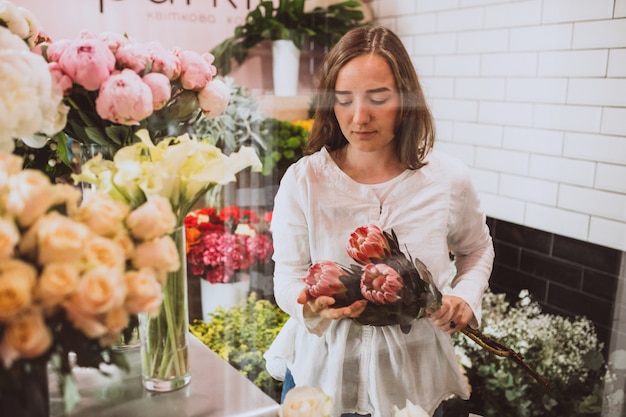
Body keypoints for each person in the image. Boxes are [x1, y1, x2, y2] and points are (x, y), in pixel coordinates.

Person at [264, 25, 495, 417]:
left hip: (412, 380)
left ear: (405, 99)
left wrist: (463, 298)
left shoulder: (447, 178)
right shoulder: (305, 180)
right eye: (344, 99)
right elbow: (287, 275)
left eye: (378, 98)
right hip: (321, 377)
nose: (359, 116)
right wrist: (310, 306)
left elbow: (476, 249)